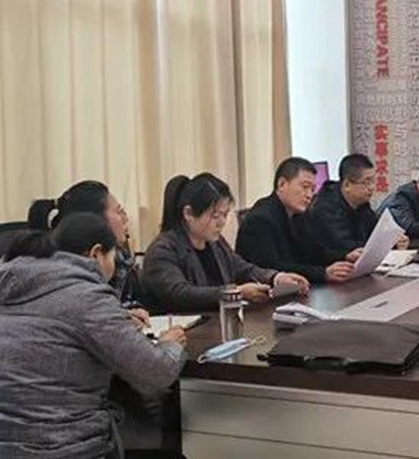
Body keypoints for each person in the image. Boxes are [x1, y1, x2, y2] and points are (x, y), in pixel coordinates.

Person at [0, 213, 187, 459]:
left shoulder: (11, 282)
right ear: (96, 253)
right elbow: (156, 373)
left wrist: (116, 317)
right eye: (113, 257)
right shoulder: (88, 296)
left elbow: (50, 322)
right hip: (68, 448)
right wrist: (170, 344)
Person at [142, 173, 308, 313]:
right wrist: (235, 292)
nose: (221, 223)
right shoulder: (163, 250)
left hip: (218, 325)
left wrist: (276, 278)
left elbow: (241, 268)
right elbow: (181, 294)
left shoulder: (215, 242)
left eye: (225, 215)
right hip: (184, 332)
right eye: (215, 216)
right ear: (189, 213)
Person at [27, 180, 149, 327]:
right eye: (119, 211)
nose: (125, 218)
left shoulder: (121, 260)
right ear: (94, 220)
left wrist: (126, 313)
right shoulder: (60, 276)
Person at [237, 157, 357, 284]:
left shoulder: (299, 214)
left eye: (312, 189)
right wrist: (323, 273)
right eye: (305, 187)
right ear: (282, 184)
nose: (309, 195)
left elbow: (314, 252)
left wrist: (345, 256)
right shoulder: (260, 219)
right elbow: (273, 267)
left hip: (299, 287)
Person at [307, 154, 409, 258]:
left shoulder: (362, 203)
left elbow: (376, 234)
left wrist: (394, 240)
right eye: (366, 182)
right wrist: (385, 245)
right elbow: (344, 246)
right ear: (347, 185)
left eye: (373, 181)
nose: (372, 187)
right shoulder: (326, 208)